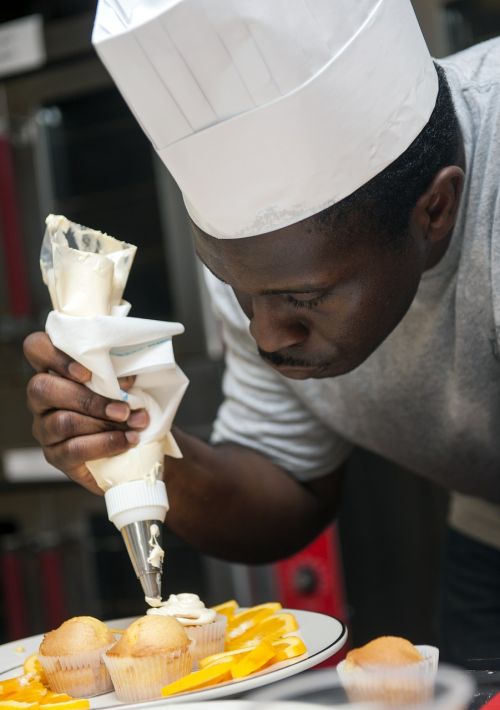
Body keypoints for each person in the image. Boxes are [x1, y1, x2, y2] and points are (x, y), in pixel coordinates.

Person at [23, 1, 500, 666]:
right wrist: (135, 443)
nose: (267, 336)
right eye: (237, 290)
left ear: (436, 211)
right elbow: (286, 487)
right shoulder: (266, 265)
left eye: (300, 298)